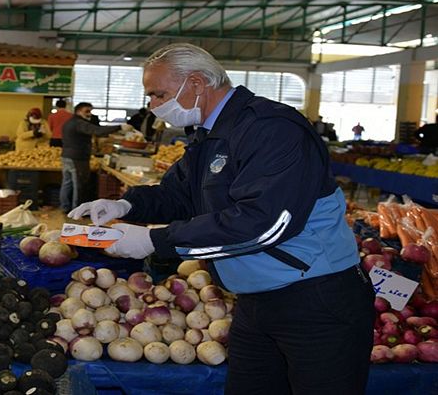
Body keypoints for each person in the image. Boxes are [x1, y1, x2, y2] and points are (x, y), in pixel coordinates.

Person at [68, 44, 374, 394]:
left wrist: (155, 241)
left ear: (196, 83)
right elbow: (179, 194)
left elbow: (265, 224)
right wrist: (125, 206)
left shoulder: (272, 129)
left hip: (315, 299)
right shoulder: (210, 136)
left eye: (158, 94)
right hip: (256, 299)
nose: (152, 106)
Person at [60, 102, 132, 211]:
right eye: (87, 111)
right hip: (78, 158)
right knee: (79, 186)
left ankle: (64, 207)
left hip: (67, 156)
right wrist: (120, 126)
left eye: (90, 111)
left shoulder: (69, 122)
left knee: (67, 184)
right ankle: (77, 210)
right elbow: (97, 131)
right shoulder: (80, 123)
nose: (89, 114)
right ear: (78, 111)